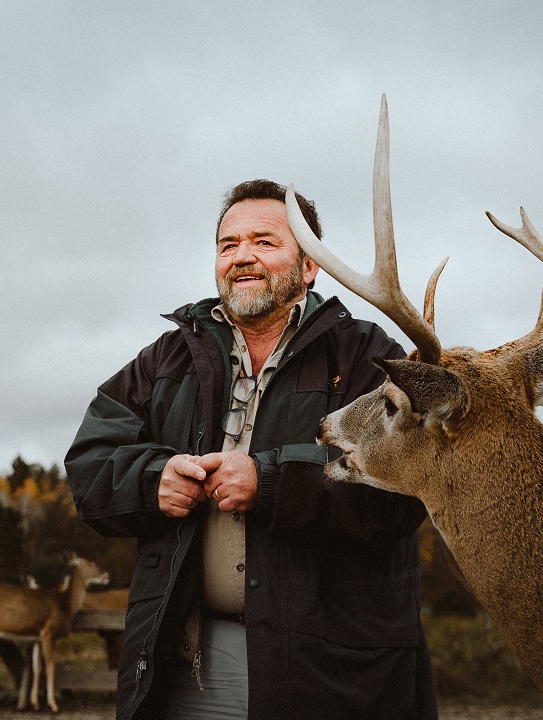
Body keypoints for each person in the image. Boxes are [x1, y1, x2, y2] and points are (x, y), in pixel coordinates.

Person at [65, 179, 437, 719]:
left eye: (265, 242)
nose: (242, 257)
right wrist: (151, 481)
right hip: (184, 666)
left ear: (309, 266)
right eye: (228, 245)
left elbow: (403, 488)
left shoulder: (368, 357)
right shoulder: (165, 359)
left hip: (333, 676)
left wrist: (271, 481)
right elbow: (90, 463)